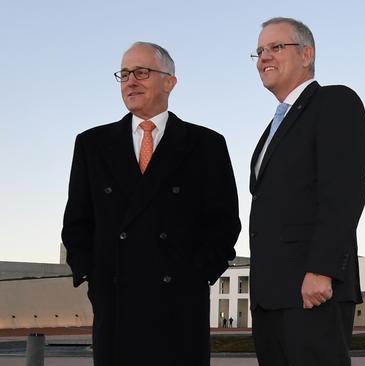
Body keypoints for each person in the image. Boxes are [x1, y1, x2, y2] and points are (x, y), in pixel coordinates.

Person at [61, 41, 241, 366]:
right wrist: (93, 277)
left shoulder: (206, 145)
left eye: (142, 72)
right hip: (116, 303)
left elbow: (224, 223)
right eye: (125, 74)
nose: (131, 81)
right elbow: (77, 223)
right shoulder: (92, 144)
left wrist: (196, 276)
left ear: (169, 82)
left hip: (179, 306)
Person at [249, 17, 365, 365]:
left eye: (275, 47)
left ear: (307, 54)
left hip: (313, 290)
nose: (264, 57)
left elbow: (344, 190)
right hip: (272, 294)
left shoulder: (334, 102)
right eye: (259, 51)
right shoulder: (275, 125)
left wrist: (322, 269)